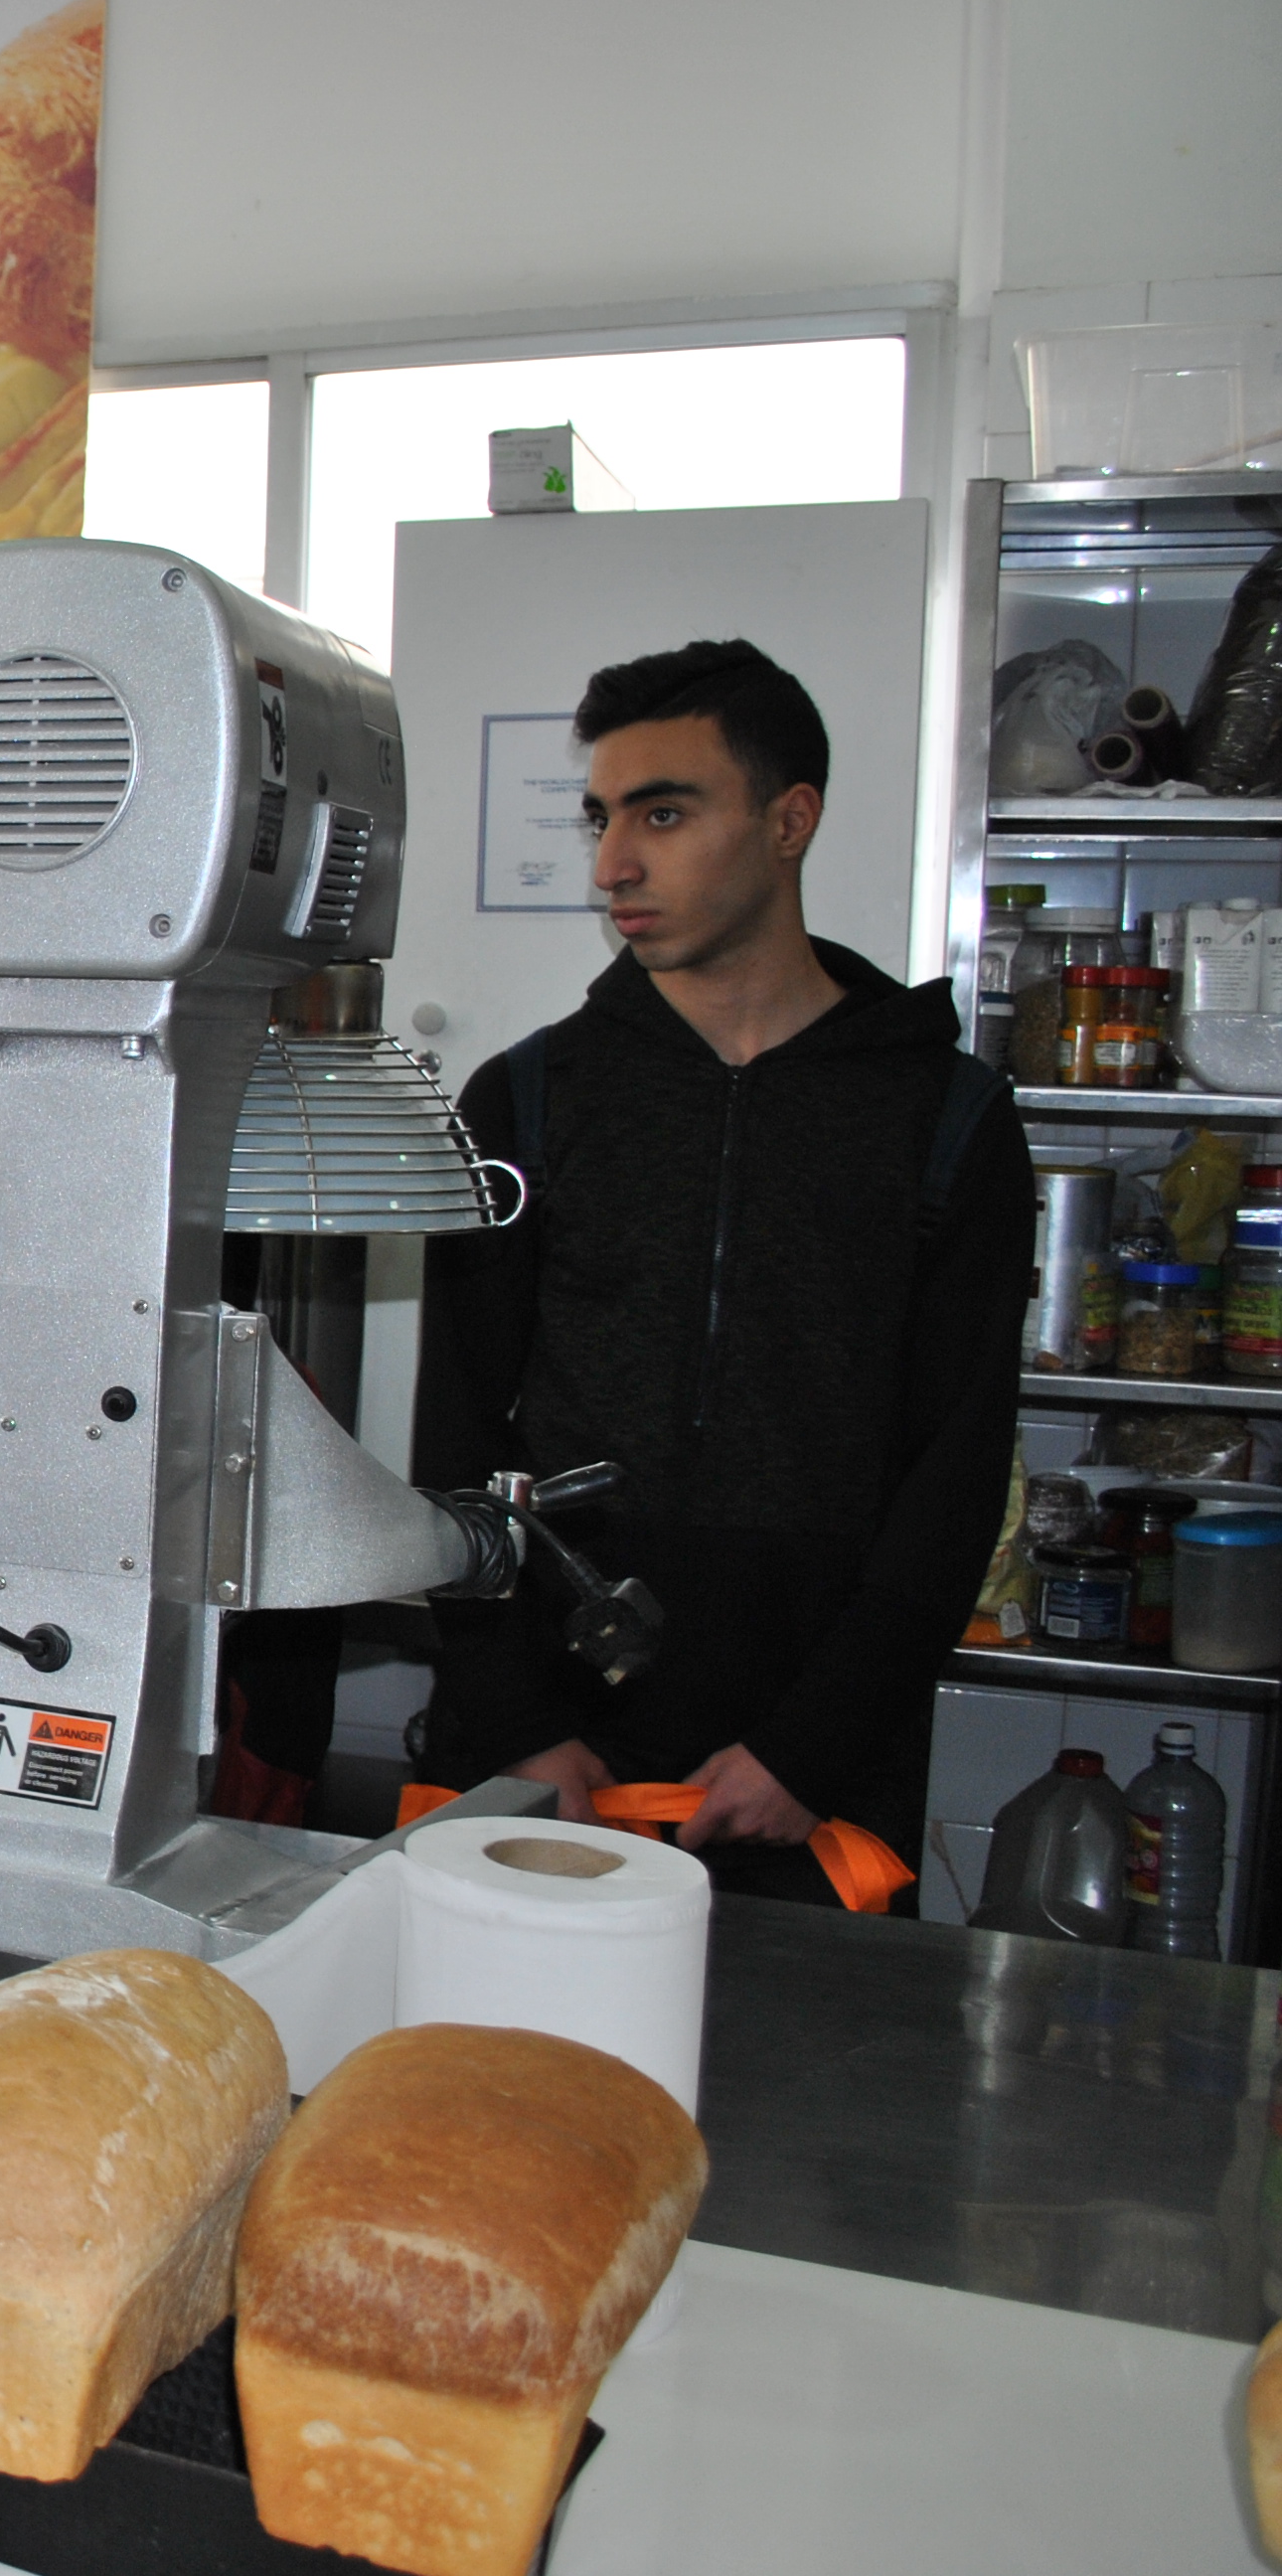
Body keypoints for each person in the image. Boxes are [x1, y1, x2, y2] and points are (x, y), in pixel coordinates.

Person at [409, 639, 1028, 1901]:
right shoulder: (525, 1098)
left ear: (788, 821)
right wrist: (514, 1721)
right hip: (548, 1742)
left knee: (787, 2034)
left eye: (662, 813)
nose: (610, 866)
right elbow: (455, 1436)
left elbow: (956, 1468)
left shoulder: (945, 1116)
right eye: (598, 818)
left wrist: (813, 1745)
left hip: (811, 1763)